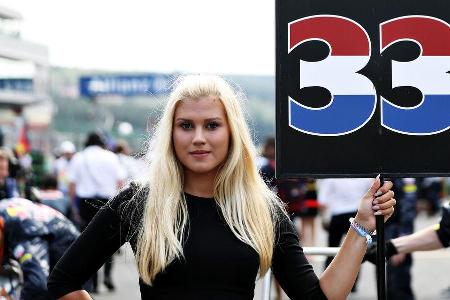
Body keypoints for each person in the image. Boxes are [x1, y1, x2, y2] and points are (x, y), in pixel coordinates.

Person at [48, 75, 396, 300]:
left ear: (232, 133)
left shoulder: (262, 208)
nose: (198, 138)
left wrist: (362, 225)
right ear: (171, 133)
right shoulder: (140, 202)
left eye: (212, 125)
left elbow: (317, 299)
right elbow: (62, 281)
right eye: (186, 125)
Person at [67, 132, 125, 292]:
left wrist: (73, 207)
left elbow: (72, 186)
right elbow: (120, 182)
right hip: (108, 202)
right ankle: (107, 275)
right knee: (109, 241)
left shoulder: (79, 157)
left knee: (87, 242)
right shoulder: (111, 157)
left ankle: (92, 281)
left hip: (86, 203)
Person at [0, 197, 79, 300]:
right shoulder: (4, 207)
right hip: (68, 239)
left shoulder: (19, 226)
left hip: (70, 251)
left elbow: (37, 285)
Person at [317, 178, 372, 292]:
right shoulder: (362, 175)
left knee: (331, 248)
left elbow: (322, 200)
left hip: (337, 214)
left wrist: (323, 219)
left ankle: (327, 283)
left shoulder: (332, 176)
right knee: (356, 250)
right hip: (356, 213)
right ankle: (353, 284)